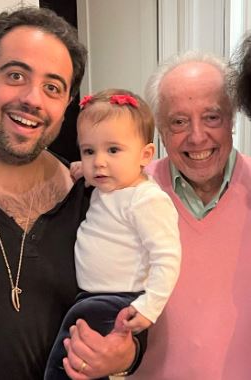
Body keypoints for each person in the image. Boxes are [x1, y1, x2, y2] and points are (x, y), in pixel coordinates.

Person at [0, 6, 144, 380]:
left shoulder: (93, 196)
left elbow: (130, 306)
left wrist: (126, 357)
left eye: (52, 87)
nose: (33, 99)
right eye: (15, 75)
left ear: (65, 106)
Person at [129, 51, 251, 380]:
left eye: (212, 117)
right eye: (179, 122)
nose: (197, 137)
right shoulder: (130, 196)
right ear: (160, 132)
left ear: (232, 120)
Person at [44, 89, 181, 379]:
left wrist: (149, 307)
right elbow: (97, 170)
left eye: (113, 150)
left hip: (118, 298)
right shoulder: (109, 187)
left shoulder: (145, 199)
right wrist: (84, 169)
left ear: (145, 155)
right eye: (89, 151)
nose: (100, 162)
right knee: (91, 362)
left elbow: (167, 258)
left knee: (66, 359)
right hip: (92, 294)